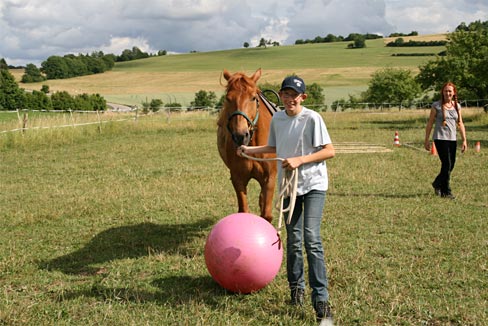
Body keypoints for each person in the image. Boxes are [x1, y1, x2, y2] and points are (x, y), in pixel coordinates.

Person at [237, 76, 335, 322]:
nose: (290, 99)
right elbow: (274, 147)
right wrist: (249, 150)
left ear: (303, 97)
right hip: (289, 188)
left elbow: (329, 151)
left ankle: (321, 300)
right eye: (286, 94)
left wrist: (300, 160)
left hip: (313, 185)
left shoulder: (312, 118)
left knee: (311, 239)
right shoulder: (279, 119)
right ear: (280, 96)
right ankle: (296, 289)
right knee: (293, 240)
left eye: (295, 95)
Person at [424, 82, 467, 199]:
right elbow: (430, 123)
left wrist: (464, 140)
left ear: (454, 93)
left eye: (450, 91)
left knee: (451, 164)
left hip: (452, 138)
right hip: (440, 138)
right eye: (445, 91)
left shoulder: (457, 106)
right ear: (442, 92)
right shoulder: (436, 106)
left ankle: (437, 183)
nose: (447, 93)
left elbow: (460, 123)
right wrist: (426, 139)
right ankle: (446, 191)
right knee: (446, 164)